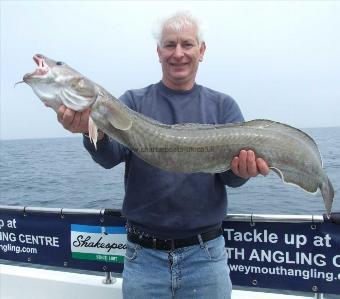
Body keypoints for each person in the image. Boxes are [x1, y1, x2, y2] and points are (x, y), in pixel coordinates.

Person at [57, 12, 269, 299]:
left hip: (205, 258)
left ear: (201, 50)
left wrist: (243, 171)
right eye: (170, 45)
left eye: (187, 44)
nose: (178, 53)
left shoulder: (223, 107)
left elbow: (231, 178)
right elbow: (108, 157)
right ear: (158, 52)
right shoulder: (132, 103)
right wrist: (90, 132)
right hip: (142, 259)